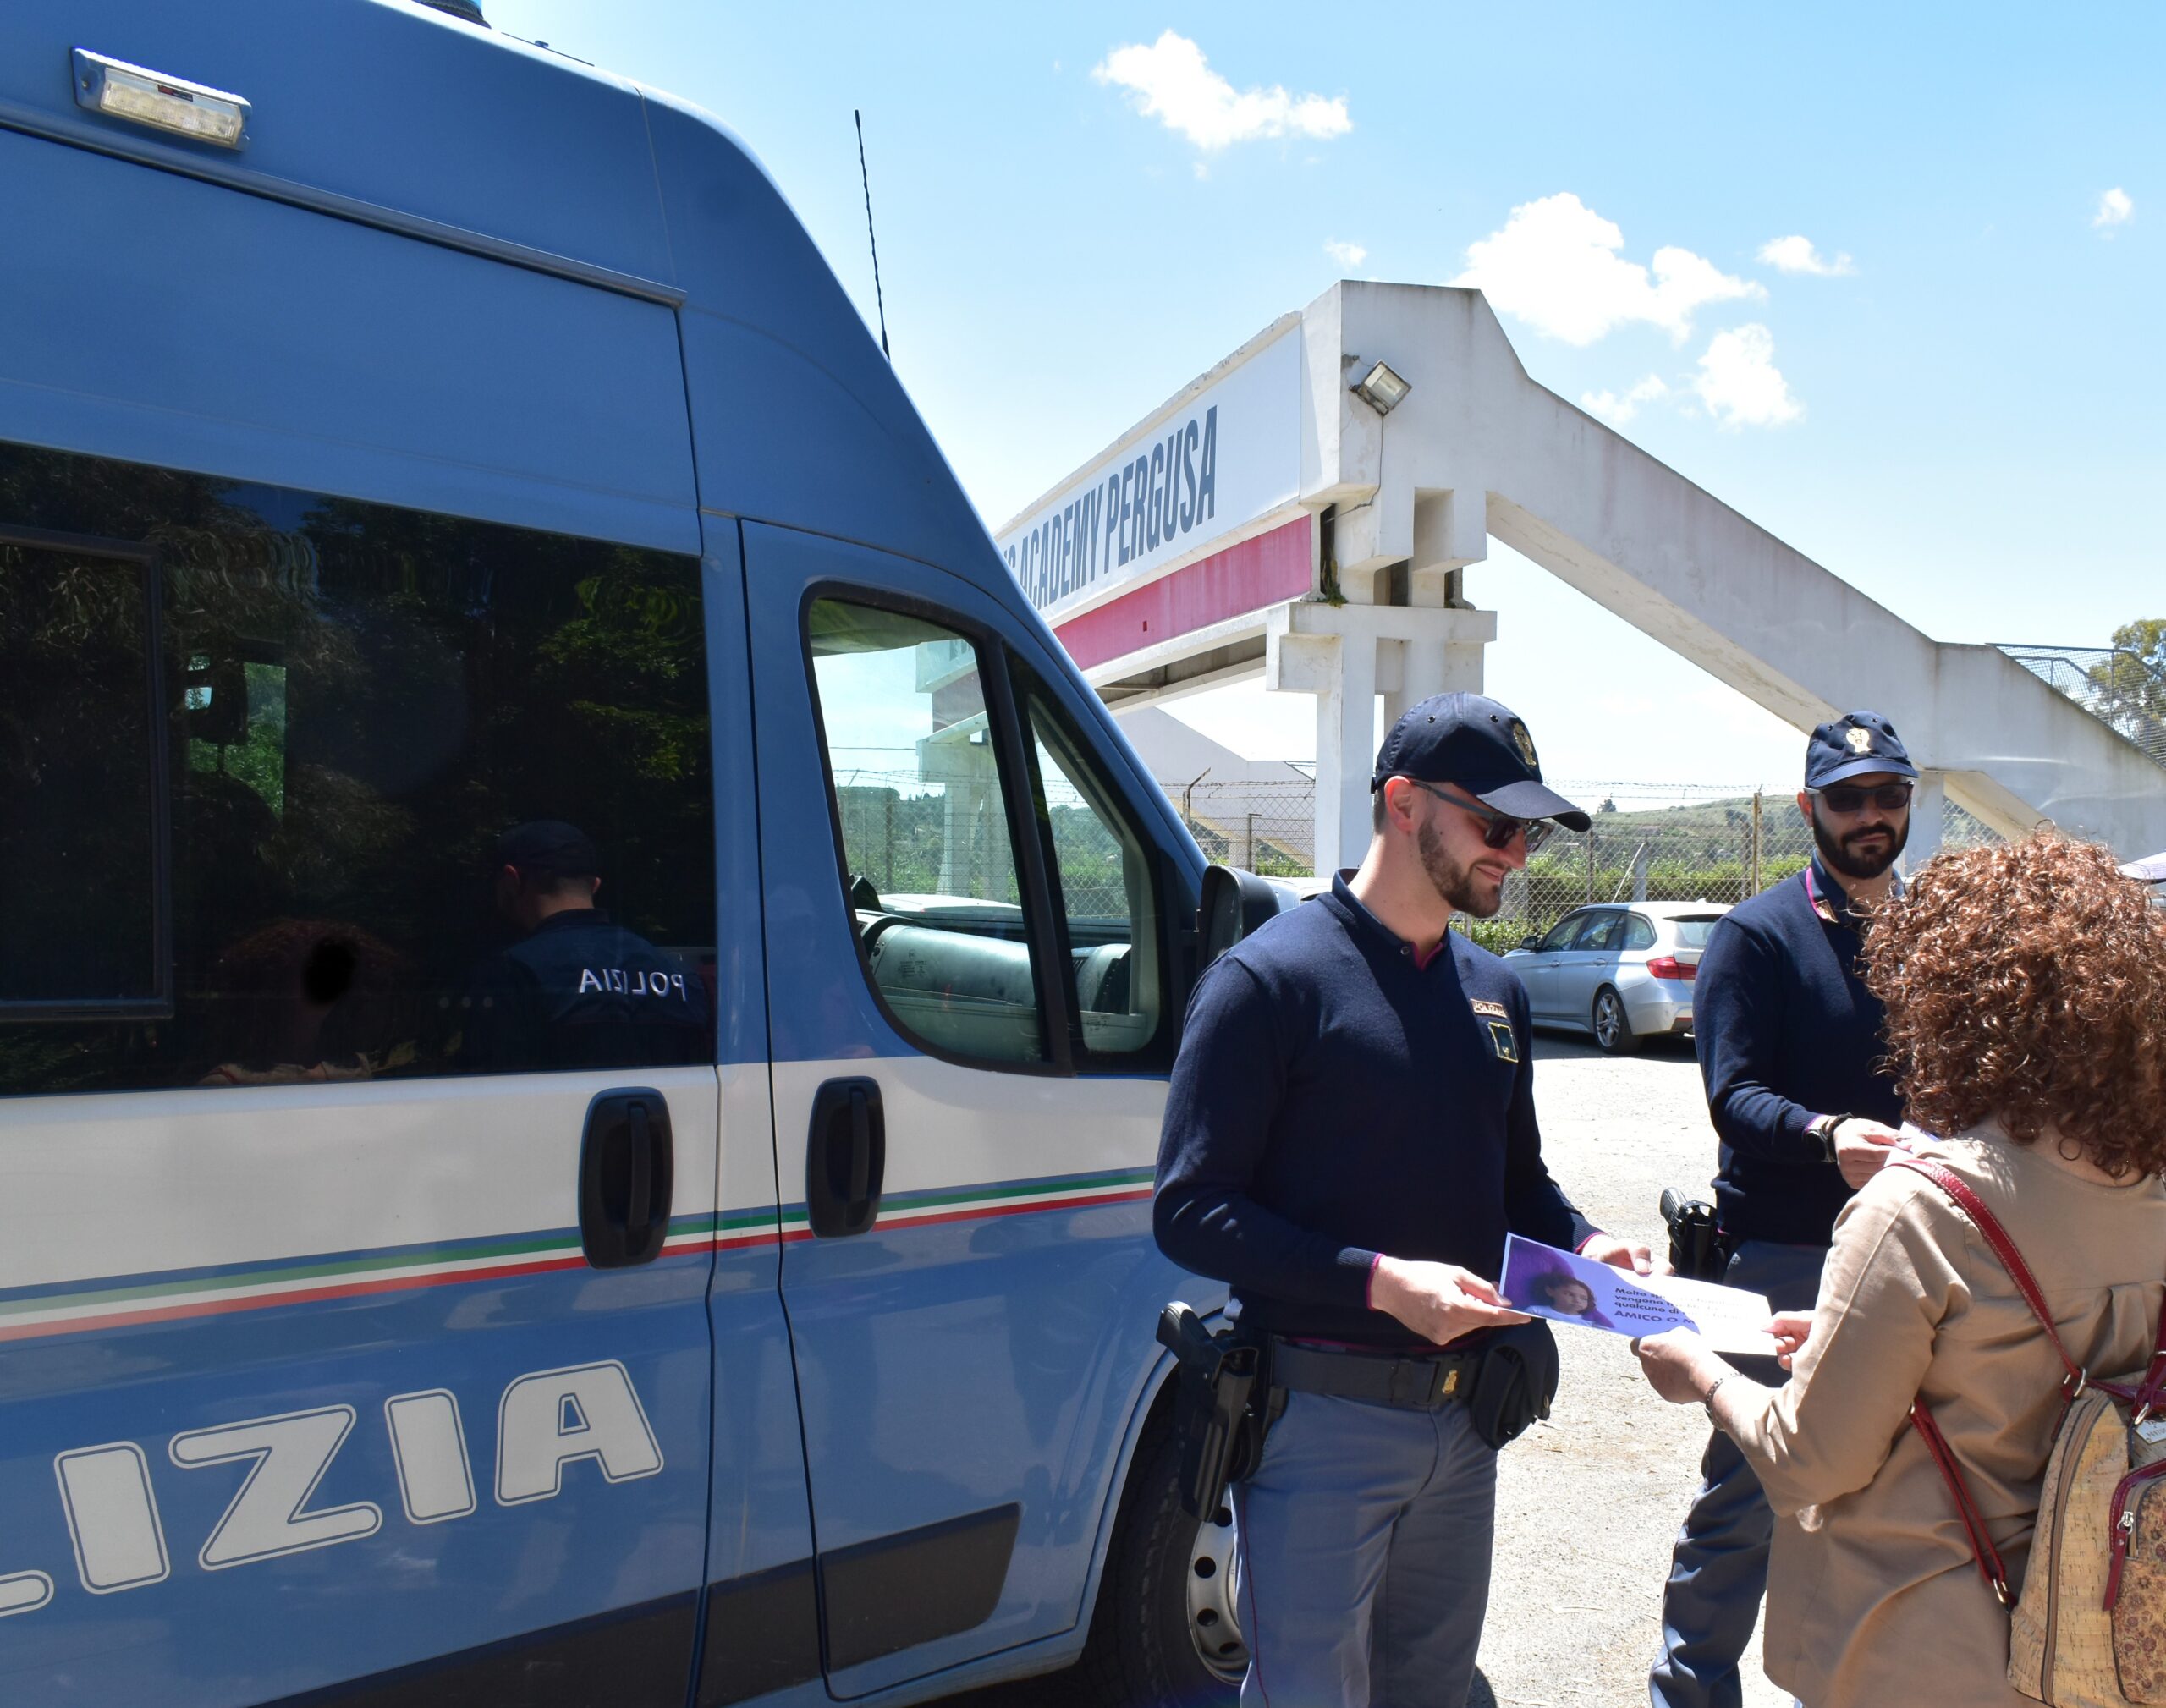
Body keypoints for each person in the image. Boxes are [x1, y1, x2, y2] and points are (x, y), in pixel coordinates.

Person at [1154, 692, 1655, 1708]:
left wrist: (1589, 1242)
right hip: (1318, 1424)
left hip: (1464, 1424)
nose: (1517, 855)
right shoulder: (1268, 982)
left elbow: (1518, 1184)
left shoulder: (1495, 990)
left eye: (1527, 834)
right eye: (1496, 826)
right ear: (1402, 802)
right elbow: (1191, 1210)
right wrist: (1380, 1284)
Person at [1634, 832, 2166, 1708]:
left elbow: (1808, 1462)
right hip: (2084, 1643)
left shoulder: (1920, 1208)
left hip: (1916, 1648)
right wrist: (1847, 1337)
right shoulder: (2146, 1192)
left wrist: (1697, 1371)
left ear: (1948, 1000)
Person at [1647, 711, 1917, 1708]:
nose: (1870, 815)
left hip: (1912, 1255)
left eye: (1887, 795)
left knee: (1896, 1498)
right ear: (1810, 807)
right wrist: (1824, 1135)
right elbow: (1733, 1096)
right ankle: (1690, 1692)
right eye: (1848, 798)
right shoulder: (1757, 936)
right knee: (1748, 1497)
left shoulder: (1930, 932)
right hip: (1783, 1257)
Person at [463, 820, 710, 1072]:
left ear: (511, 880)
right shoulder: (680, 975)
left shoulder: (513, 972)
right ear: (595, 885)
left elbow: (491, 1083)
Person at [1526, 1267, 1615, 1330]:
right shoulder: (1536, 1311)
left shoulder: (1589, 1322)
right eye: (1570, 1294)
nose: (1577, 1300)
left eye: (1584, 1298)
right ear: (1550, 1291)